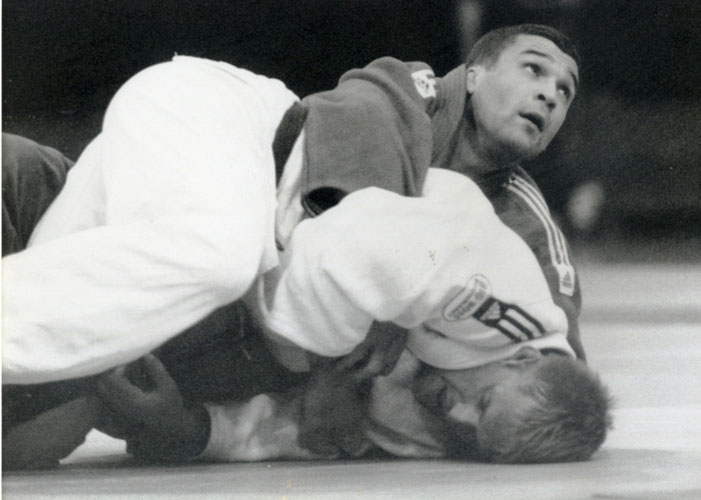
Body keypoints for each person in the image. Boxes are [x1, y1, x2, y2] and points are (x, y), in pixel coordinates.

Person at [3, 23, 590, 463]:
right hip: (228, 130)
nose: (549, 95)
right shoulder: (409, 94)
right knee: (218, 258)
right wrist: (371, 325)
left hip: (195, 248)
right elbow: (345, 231)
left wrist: (193, 430)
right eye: (534, 71)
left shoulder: (520, 231)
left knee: (38, 428)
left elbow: (557, 377)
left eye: (565, 93)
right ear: (473, 75)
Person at [94, 168, 611, 464]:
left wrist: (191, 431)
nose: (458, 416)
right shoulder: (502, 301)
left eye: (476, 435)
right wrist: (341, 358)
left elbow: (305, 430)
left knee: (103, 409)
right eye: (484, 402)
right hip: (269, 193)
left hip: (244, 312)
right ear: (522, 360)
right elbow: (353, 245)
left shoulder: (459, 429)